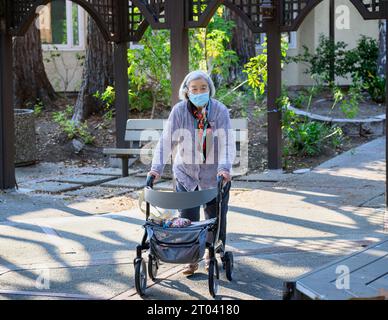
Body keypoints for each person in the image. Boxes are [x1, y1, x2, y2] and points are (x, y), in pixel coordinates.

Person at [147, 70, 236, 275]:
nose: (199, 92)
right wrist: (156, 169)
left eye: (203, 88)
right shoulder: (179, 111)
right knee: (187, 219)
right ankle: (190, 257)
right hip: (186, 174)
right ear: (186, 91)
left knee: (216, 219)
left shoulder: (219, 111)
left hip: (215, 176)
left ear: (210, 90)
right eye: (194, 89)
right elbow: (166, 141)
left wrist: (224, 169)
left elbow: (227, 144)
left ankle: (211, 253)